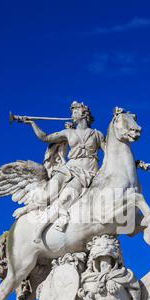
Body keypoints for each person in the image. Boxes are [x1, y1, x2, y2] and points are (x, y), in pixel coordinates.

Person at [25, 101, 105, 242]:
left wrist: (134, 163)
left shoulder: (97, 134)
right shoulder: (68, 133)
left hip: (86, 172)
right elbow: (45, 138)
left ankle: (42, 228)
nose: (72, 115)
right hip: (68, 168)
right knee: (47, 195)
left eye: (75, 112)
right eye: (72, 112)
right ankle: (29, 209)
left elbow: (111, 153)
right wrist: (32, 123)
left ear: (84, 114)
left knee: (65, 197)